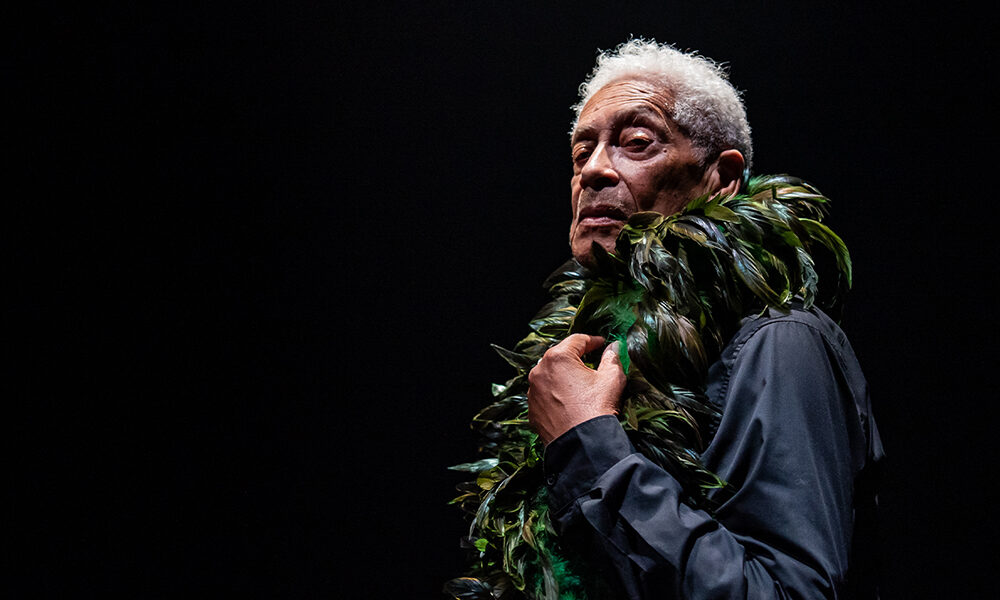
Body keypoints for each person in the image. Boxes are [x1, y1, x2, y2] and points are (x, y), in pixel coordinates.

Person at [447, 39, 882, 600]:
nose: (595, 170)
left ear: (721, 177)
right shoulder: (595, 349)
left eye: (636, 143)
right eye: (581, 153)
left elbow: (786, 591)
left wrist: (586, 444)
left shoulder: (780, 342)